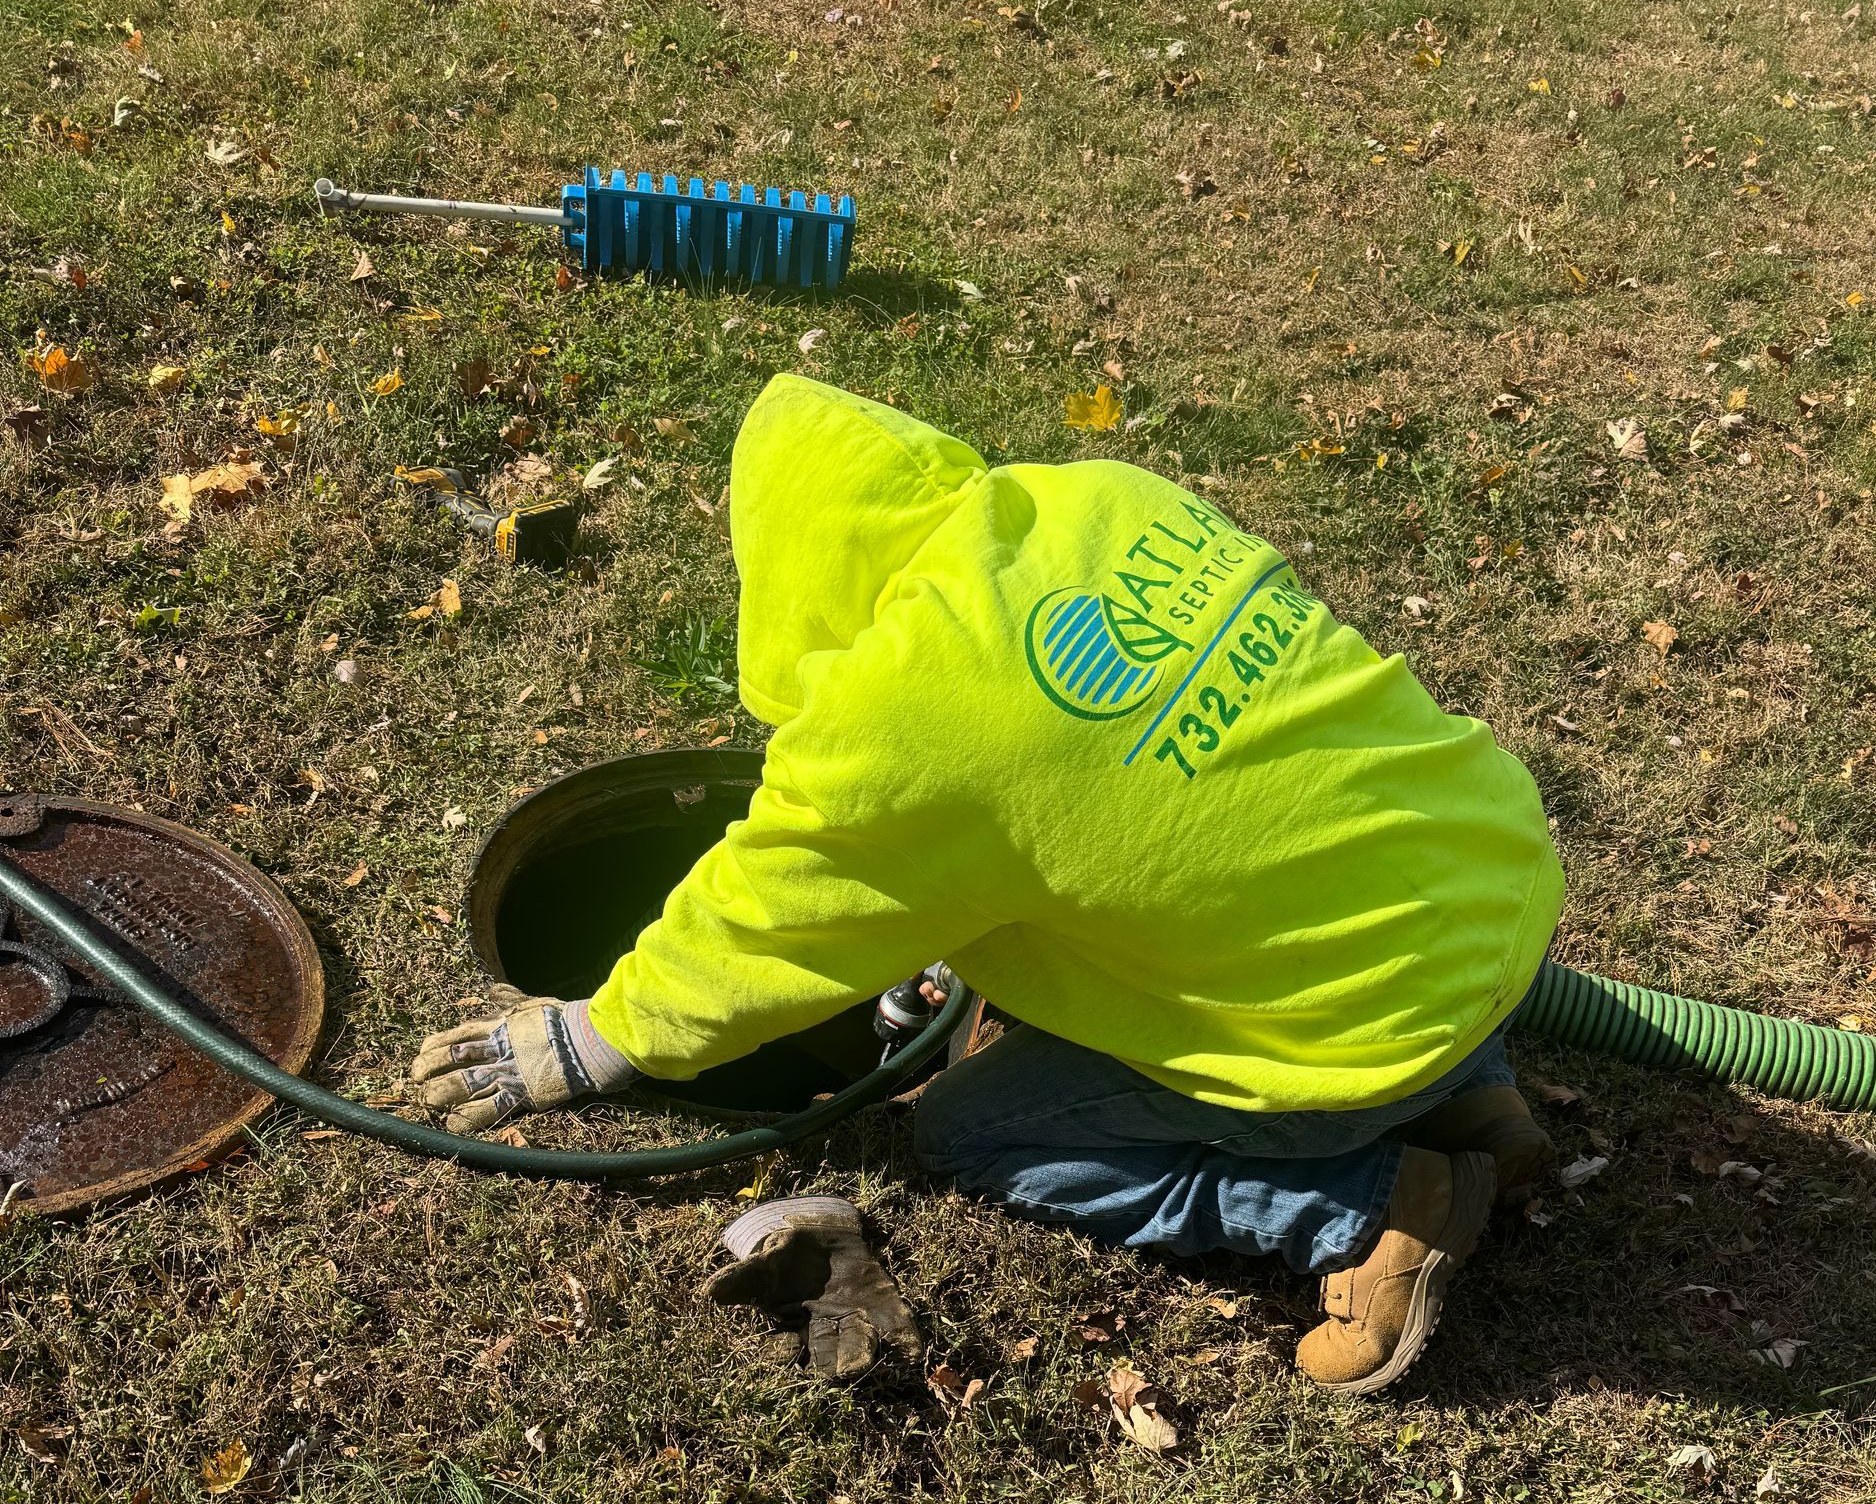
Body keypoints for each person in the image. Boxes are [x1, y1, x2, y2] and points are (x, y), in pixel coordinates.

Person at [412, 376, 1564, 1394]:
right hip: (1495, 879)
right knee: (1294, 869)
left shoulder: (907, 720)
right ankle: (1475, 1092)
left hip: (1352, 1027)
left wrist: (589, 1042)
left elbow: (765, 926)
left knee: (977, 1131)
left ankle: (1367, 1211)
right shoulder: (1099, 500)